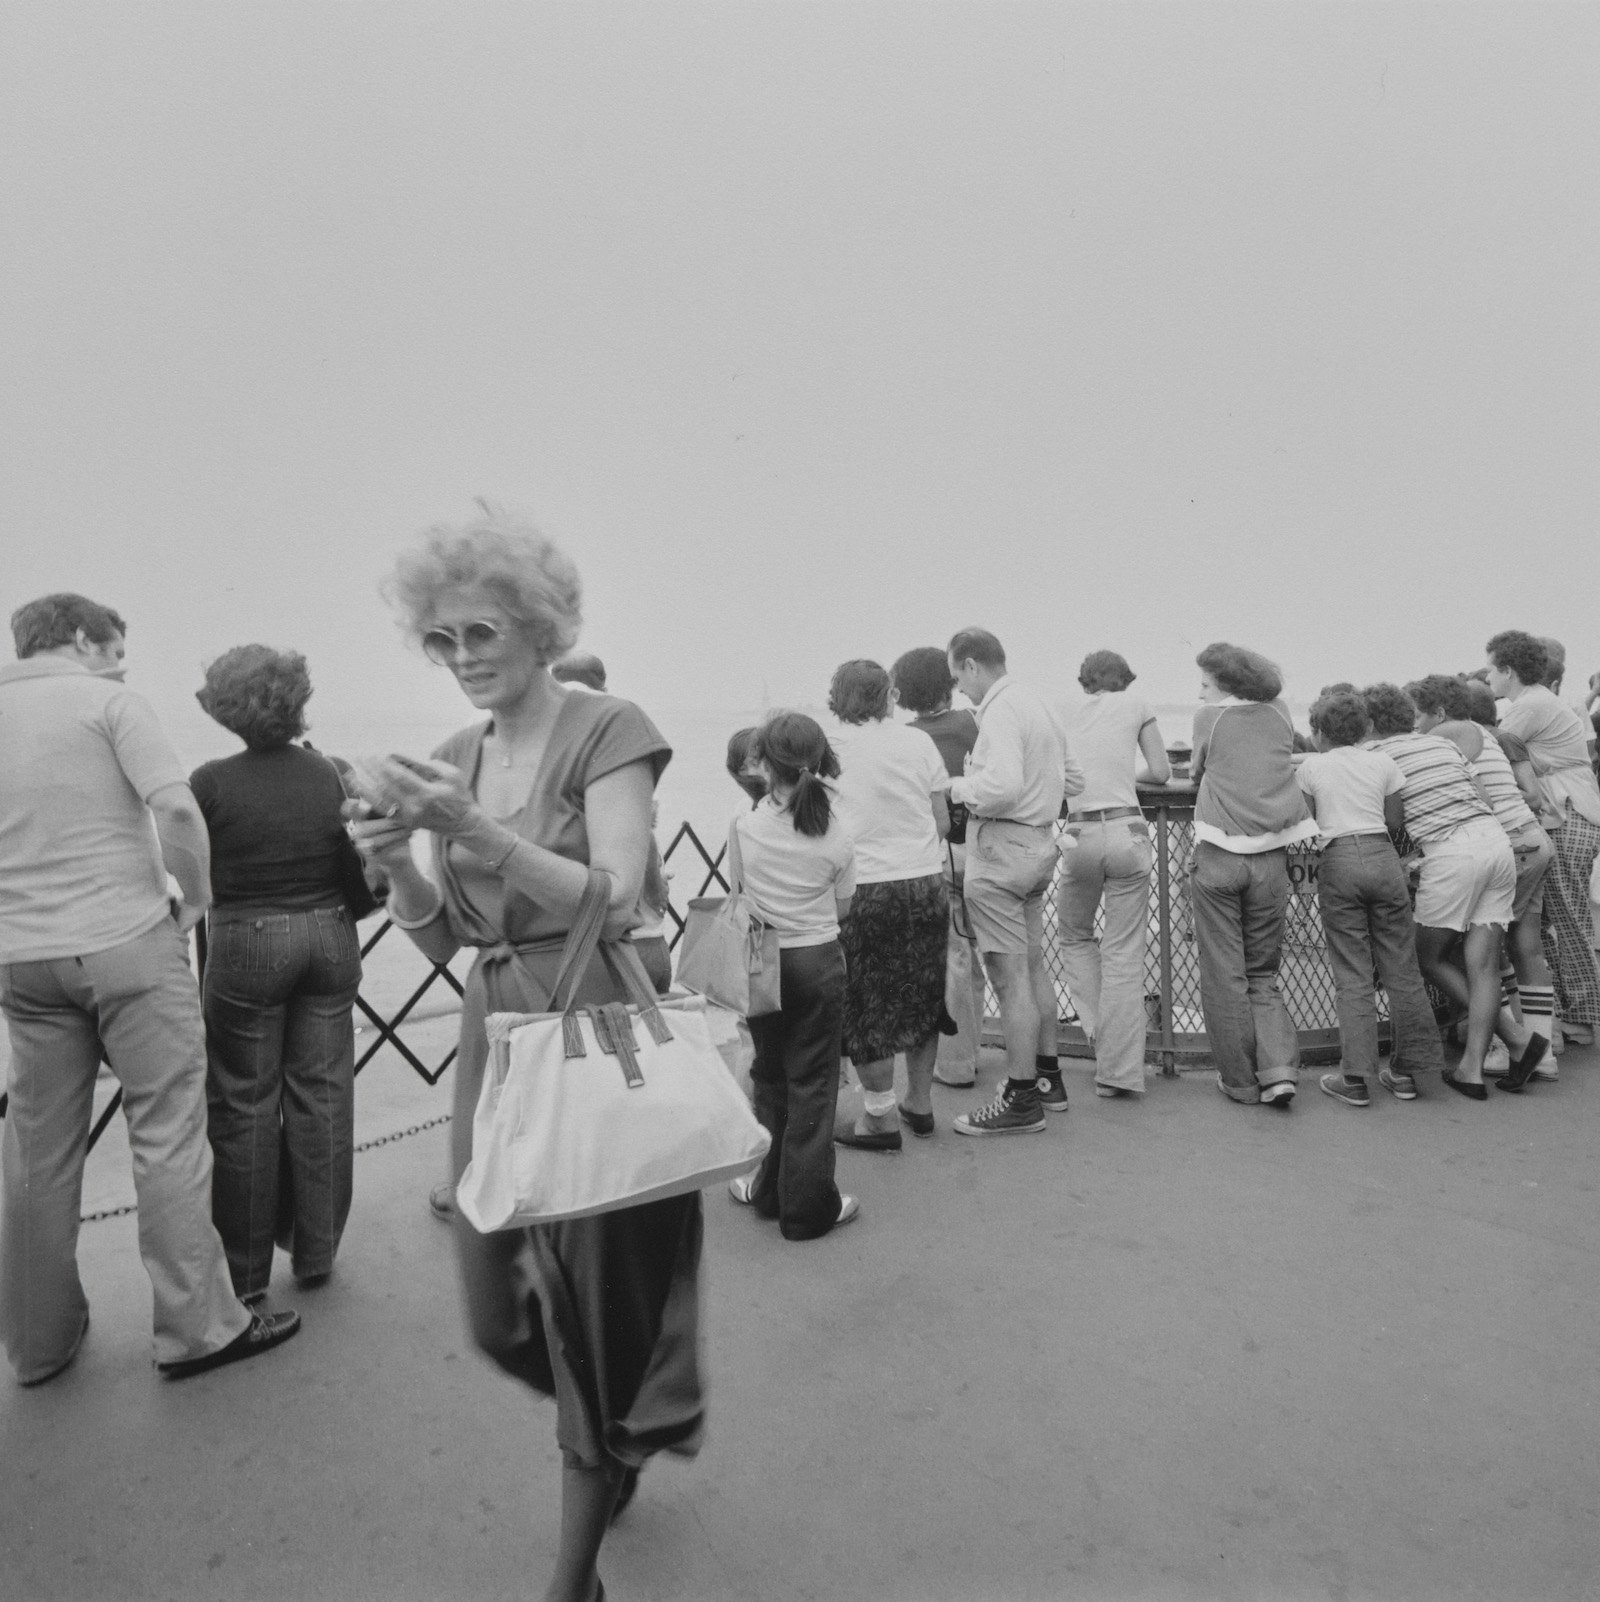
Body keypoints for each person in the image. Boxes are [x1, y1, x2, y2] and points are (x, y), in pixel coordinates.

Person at [349, 509, 700, 1602]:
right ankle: (613, 1430)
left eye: (480, 632)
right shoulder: (454, 755)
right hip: (493, 1025)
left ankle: (574, 1570)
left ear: (540, 626)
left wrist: (476, 832)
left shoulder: (609, 727)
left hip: (590, 1016)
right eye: (440, 641)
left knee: (591, 1306)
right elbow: (450, 933)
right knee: (498, 1309)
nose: (461, 659)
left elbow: (619, 891)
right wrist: (394, 867)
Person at [0, 593, 299, 1385]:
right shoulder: (109, 703)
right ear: (78, 637)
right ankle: (196, 1329)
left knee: (34, 1150)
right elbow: (174, 807)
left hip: (21, 961)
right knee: (167, 1130)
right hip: (125, 943)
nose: (122, 664)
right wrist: (193, 896)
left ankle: (36, 1342)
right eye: (115, 648)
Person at [190, 645, 368, 1299]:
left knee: (244, 1105)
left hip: (246, 943)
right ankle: (317, 1253)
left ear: (224, 709)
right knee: (324, 1096)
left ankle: (245, 1275)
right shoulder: (330, 772)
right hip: (329, 936)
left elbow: (182, 872)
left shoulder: (208, 780)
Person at [724, 713, 860, 1235]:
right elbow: (844, 906)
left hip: (763, 959)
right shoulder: (837, 835)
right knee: (813, 1083)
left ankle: (768, 1191)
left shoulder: (746, 824)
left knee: (771, 1077)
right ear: (821, 761)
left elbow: (739, 892)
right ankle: (806, 1208)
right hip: (818, 960)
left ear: (763, 763)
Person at [944, 628, 1081, 1136]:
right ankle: (1048, 1079)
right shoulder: (1040, 705)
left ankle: (1021, 1100)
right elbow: (1077, 780)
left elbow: (999, 788)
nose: (960, 687)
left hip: (1001, 855)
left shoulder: (1000, 711)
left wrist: (956, 787)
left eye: (959, 675)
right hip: (1040, 847)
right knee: (1032, 965)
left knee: (1008, 980)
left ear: (973, 664)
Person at [1362, 683, 1521, 1098]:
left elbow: (1387, 816)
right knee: (1482, 963)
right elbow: (1482, 796)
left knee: (1425, 955)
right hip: (1495, 843)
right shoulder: (1441, 746)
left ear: (1370, 722)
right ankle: (1474, 1065)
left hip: (1453, 854)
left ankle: (1517, 1041)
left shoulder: (1375, 756)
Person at [1295, 691, 1444, 1106]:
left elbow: (1307, 821)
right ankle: (1406, 1073)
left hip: (1339, 859)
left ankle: (1355, 1079)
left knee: (1352, 974)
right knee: (1402, 967)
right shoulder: (1383, 762)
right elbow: (1394, 820)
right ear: (1364, 729)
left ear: (1319, 732)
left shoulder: (1311, 766)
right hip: (1383, 856)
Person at [826, 659, 951, 1149]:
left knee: (867, 1002)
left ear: (837, 698)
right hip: (923, 883)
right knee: (923, 994)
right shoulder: (918, 741)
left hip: (863, 888)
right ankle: (918, 1103)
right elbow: (940, 820)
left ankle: (878, 1116)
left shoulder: (830, 749)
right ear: (889, 696)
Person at [1409, 673, 1556, 1088]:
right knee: (1520, 948)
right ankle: (1536, 1049)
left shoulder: (1443, 736)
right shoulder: (1483, 733)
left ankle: (1509, 1040)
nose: (1415, 724)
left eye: (1419, 716)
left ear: (1438, 712)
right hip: (1530, 838)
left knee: (1464, 956)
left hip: (1505, 841)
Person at [1188, 643, 1318, 1107]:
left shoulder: (1210, 719)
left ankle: (1241, 1082)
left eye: (1204, 683)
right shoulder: (1280, 711)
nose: (1200, 692)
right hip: (1273, 860)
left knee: (1225, 976)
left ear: (1223, 683)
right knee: (1263, 972)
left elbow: (1197, 770)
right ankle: (1280, 1071)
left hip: (1220, 856)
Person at [1058, 650, 1170, 1098]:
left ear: (1085, 681)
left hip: (1080, 831)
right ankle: (1119, 1073)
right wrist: (1126, 775)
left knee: (1073, 935)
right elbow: (1161, 772)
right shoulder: (1137, 705)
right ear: (1124, 680)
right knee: (1124, 953)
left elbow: (1057, 777)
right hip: (1128, 829)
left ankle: (1098, 1033)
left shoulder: (1063, 709)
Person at [1488, 631, 1600, 1050]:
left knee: (1567, 920)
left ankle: (1583, 1017)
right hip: (1575, 812)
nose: (1487, 676)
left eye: (1491, 668)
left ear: (1508, 670)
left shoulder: (1529, 705)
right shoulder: (1544, 701)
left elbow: (1488, 745)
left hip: (1566, 815)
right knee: (1554, 922)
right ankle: (1567, 1015)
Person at [891, 646, 986, 1087]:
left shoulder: (906, 738)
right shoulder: (974, 723)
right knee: (981, 957)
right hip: (983, 850)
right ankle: (973, 1048)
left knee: (954, 957)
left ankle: (956, 1062)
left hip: (936, 855)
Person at [725, 725, 768, 806]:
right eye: (743, 768)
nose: (751, 772)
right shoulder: (744, 808)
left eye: (755, 764)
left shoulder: (793, 801)